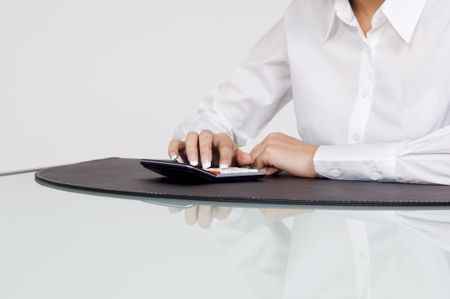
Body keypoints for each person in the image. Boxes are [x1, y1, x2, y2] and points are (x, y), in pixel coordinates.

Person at [167, 0, 450, 298]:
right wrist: (208, 139)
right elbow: (218, 114)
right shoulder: (306, 13)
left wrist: (318, 159)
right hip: (321, 232)